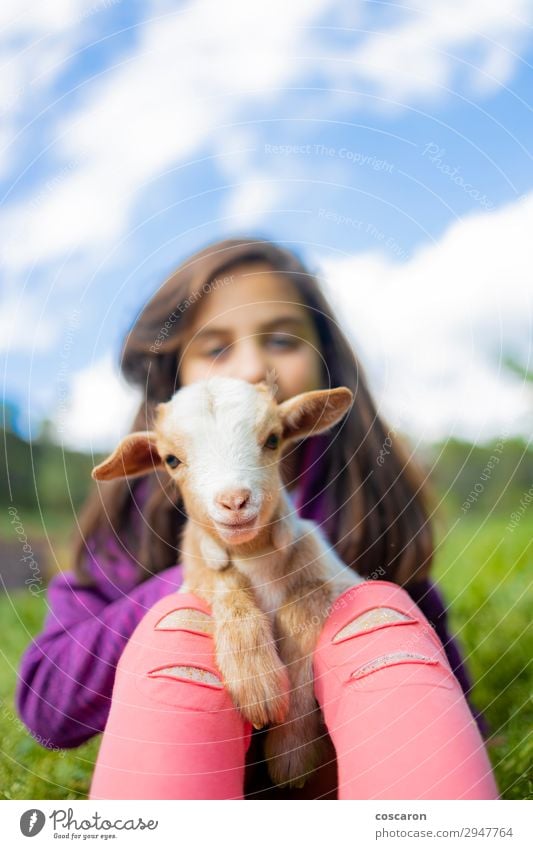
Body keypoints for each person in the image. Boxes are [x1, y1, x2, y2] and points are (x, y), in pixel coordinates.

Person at [16, 237, 498, 799]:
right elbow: (47, 705)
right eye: (215, 349)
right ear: (173, 383)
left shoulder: (369, 513)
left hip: (343, 777)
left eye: (280, 339)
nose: (250, 367)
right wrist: (206, 580)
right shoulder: (128, 529)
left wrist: (313, 573)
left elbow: (441, 688)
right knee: (185, 636)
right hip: (197, 763)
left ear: (323, 367)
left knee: (375, 615)